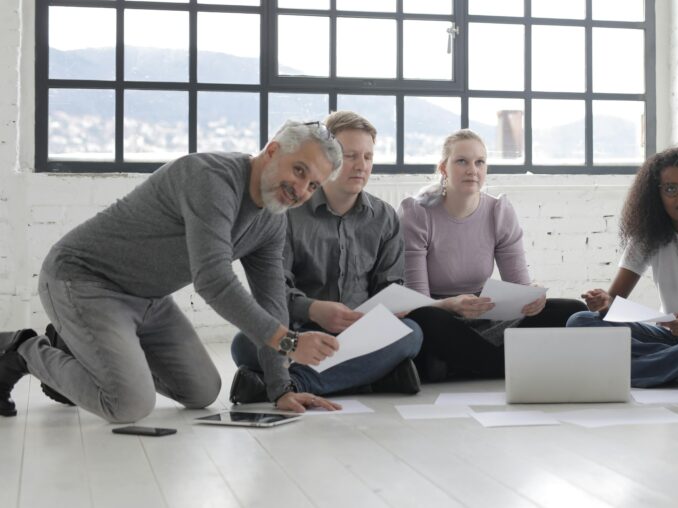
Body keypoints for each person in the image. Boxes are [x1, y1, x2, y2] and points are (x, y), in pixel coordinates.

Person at [0, 121, 345, 421]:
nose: (301, 190)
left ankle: (75, 349)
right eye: (299, 170)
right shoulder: (212, 179)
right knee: (128, 405)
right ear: (272, 151)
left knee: (202, 391)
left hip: (147, 299)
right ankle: (24, 350)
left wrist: (281, 388)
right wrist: (288, 341)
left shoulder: (272, 221)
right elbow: (213, 280)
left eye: (313, 185)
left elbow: (272, 302)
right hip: (83, 281)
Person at [228, 111, 423, 403]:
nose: (362, 166)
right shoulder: (288, 212)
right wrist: (313, 309)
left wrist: (384, 311)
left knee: (411, 334)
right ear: (328, 159)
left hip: (360, 334)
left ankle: (295, 383)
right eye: (351, 156)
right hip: (300, 329)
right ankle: (371, 378)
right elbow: (272, 288)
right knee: (244, 344)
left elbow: (390, 287)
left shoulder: (385, 218)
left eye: (368, 157)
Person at [399, 129, 586, 381]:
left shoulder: (498, 211)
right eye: (461, 161)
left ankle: (461, 366)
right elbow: (417, 300)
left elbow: (519, 288)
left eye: (480, 162)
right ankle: (511, 365)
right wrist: (451, 305)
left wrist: (533, 294)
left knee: (573, 310)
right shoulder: (417, 213)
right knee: (423, 318)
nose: (472, 170)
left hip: (486, 316)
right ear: (443, 168)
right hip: (441, 314)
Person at [567, 146, 678, 388]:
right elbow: (613, 302)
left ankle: (635, 372)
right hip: (668, 338)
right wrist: (603, 302)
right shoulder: (647, 235)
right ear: (657, 195)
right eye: (671, 189)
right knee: (580, 321)